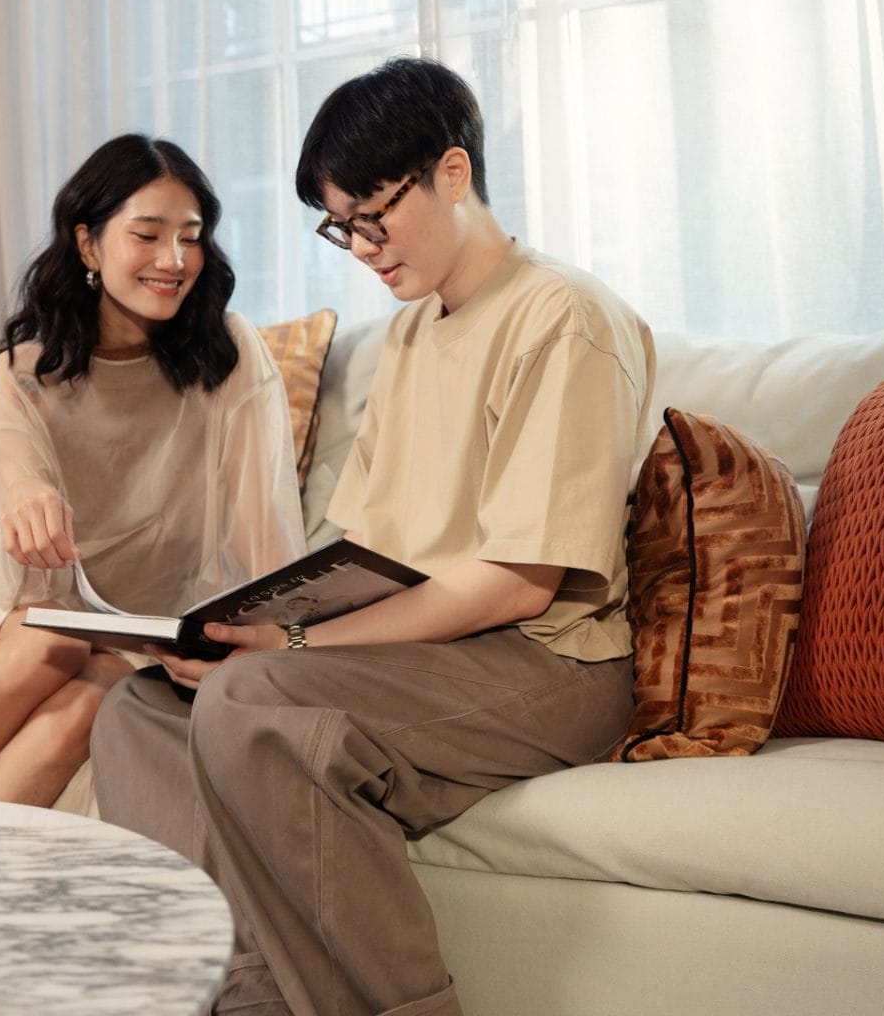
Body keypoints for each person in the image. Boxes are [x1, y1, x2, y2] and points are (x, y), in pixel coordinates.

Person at [90, 58, 655, 1015]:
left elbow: (517, 583)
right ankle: (250, 998)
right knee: (139, 712)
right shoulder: (411, 332)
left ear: (452, 173)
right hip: (428, 649)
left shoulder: (562, 317)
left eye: (371, 218)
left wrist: (291, 646)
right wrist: (240, 628)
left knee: (255, 700)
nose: (359, 248)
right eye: (339, 226)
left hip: (546, 660)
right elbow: (364, 548)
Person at [0, 133, 306, 813]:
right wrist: (28, 494)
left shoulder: (230, 353)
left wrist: (275, 642)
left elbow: (262, 540)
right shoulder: (21, 373)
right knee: (56, 645)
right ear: (88, 245)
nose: (174, 260)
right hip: (18, 616)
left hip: (137, 633)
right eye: (147, 235)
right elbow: (19, 503)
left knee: (92, 696)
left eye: (190, 237)